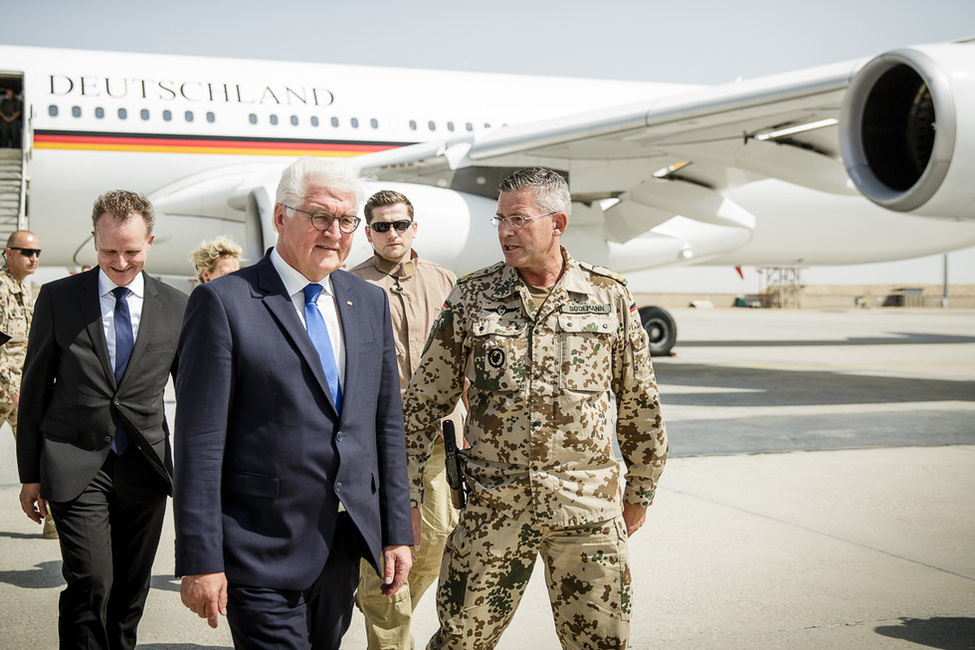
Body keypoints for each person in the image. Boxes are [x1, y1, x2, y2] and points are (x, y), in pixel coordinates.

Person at [402, 167, 668, 650]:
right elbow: (422, 404)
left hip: (586, 511)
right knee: (460, 642)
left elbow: (640, 404)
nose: (505, 230)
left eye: (518, 219)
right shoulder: (473, 296)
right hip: (492, 511)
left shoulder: (608, 295)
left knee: (600, 644)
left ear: (558, 223)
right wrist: (407, 496)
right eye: (500, 220)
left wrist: (641, 491)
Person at [174, 158, 414, 650]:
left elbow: (385, 425)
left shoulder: (366, 301)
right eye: (320, 217)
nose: (335, 232)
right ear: (281, 217)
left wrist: (396, 531)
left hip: (341, 546)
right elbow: (198, 443)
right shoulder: (224, 302)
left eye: (347, 221)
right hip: (257, 546)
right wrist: (201, 558)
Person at [17, 190, 188, 649]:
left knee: (130, 591)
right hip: (73, 462)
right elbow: (33, 391)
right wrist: (29, 474)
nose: (120, 261)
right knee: (90, 582)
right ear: (94, 239)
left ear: (149, 242)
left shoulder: (176, 306)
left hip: (145, 467)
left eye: (131, 251)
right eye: (108, 250)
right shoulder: (58, 298)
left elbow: (192, 398)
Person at [349, 190, 464, 649]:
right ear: (368, 232)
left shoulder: (445, 280)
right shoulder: (350, 285)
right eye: (381, 225)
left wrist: (471, 422)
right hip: (380, 440)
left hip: (439, 436)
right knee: (385, 552)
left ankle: (376, 601)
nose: (391, 233)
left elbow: (465, 357)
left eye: (399, 224)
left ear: (414, 228)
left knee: (435, 540)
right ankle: (390, 636)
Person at [0, 230, 58, 539]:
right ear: (8, 253)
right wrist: (12, 387)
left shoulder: (26, 290)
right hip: (5, 389)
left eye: (37, 252)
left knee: (41, 454)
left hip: (22, 390)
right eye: (25, 252)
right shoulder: (0, 288)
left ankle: (52, 523)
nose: (33, 257)